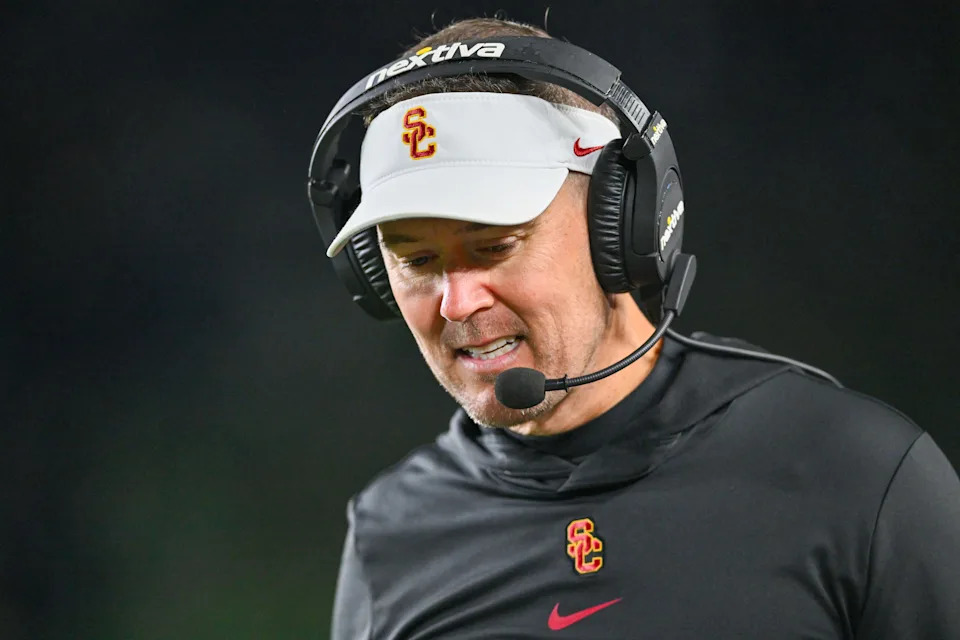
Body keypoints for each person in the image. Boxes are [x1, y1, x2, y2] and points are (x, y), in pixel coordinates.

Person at [311, 17, 960, 640]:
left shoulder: (856, 474)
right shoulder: (388, 534)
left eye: (494, 246)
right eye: (417, 262)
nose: (455, 303)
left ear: (620, 224)